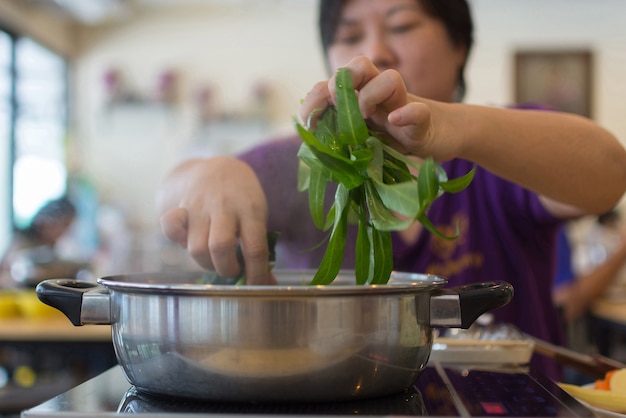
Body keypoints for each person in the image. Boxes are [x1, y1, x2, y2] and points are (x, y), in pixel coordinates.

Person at [157, 0, 626, 380]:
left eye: (401, 25)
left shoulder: (498, 149)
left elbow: (608, 174)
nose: (374, 52)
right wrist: (211, 172)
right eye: (349, 35)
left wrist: (453, 124)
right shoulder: (297, 164)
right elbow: (175, 194)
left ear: (459, 45)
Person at [0, 196, 84, 288]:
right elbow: (14, 274)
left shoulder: (52, 247)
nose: (64, 232)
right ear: (48, 221)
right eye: (64, 225)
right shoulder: (21, 243)